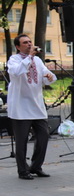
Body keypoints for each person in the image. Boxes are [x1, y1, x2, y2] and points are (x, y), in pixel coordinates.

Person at [7, 34, 56, 180]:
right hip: (21, 107)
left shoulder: (38, 60)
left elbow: (45, 77)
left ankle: (36, 166)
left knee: (43, 136)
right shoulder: (13, 60)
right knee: (22, 141)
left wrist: (49, 77)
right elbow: (17, 72)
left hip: (37, 106)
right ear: (18, 46)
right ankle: (23, 171)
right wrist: (30, 57)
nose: (29, 44)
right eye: (25, 43)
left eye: (30, 42)